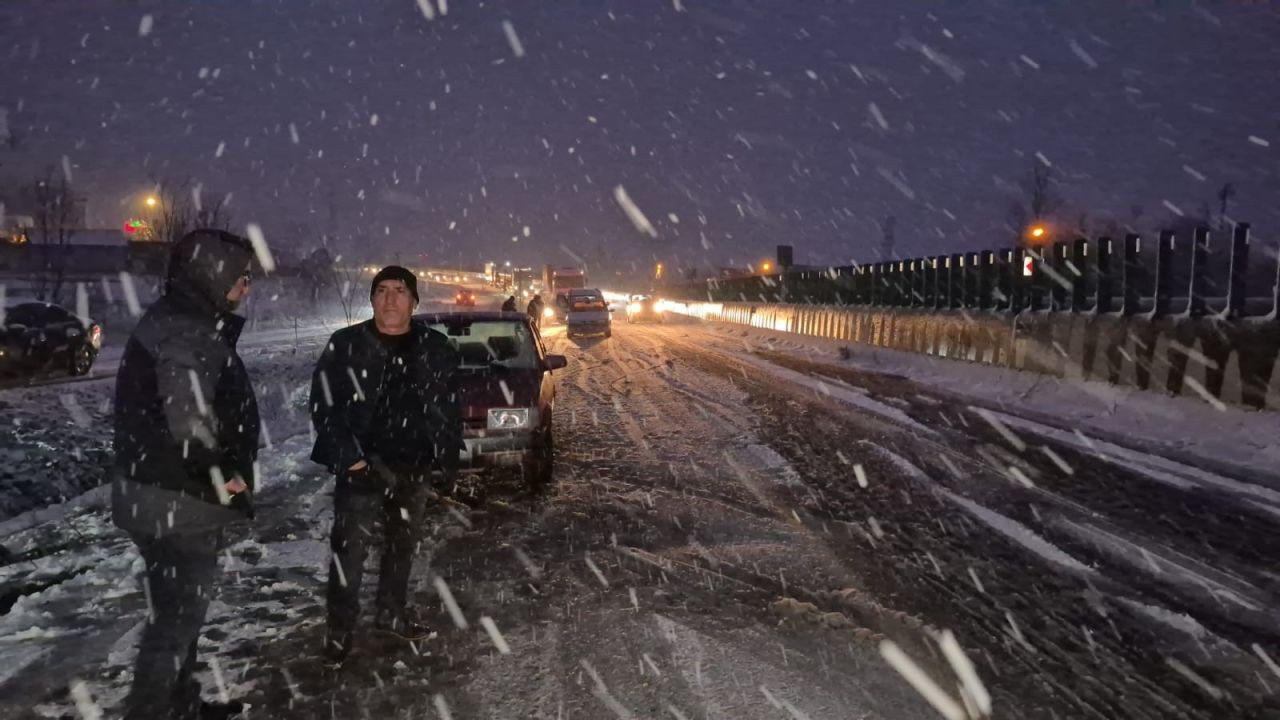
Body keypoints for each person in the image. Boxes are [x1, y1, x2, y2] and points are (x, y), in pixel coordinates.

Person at [111, 229, 258, 720]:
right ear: (214, 275)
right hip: (176, 499)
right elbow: (188, 419)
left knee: (175, 618)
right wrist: (222, 473)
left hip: (159, 492)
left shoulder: (182, 318)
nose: (247, 287)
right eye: (242, 277)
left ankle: (180, 706)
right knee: (174, 626)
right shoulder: (188, 328)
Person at [310, 265, 462, 662]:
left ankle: (392, 616)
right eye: (382, 290)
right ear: (372, 298)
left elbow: (447, 408)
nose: (390, 298)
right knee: (349, 553)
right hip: (362, 467)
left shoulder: (436, 347)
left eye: (399, 290)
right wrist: (351, 459)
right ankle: (340, 633)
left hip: (413, 468)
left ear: (414, 301)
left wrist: (445, 459)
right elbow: (323, 407)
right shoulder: (345, 344)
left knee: (402, 548)